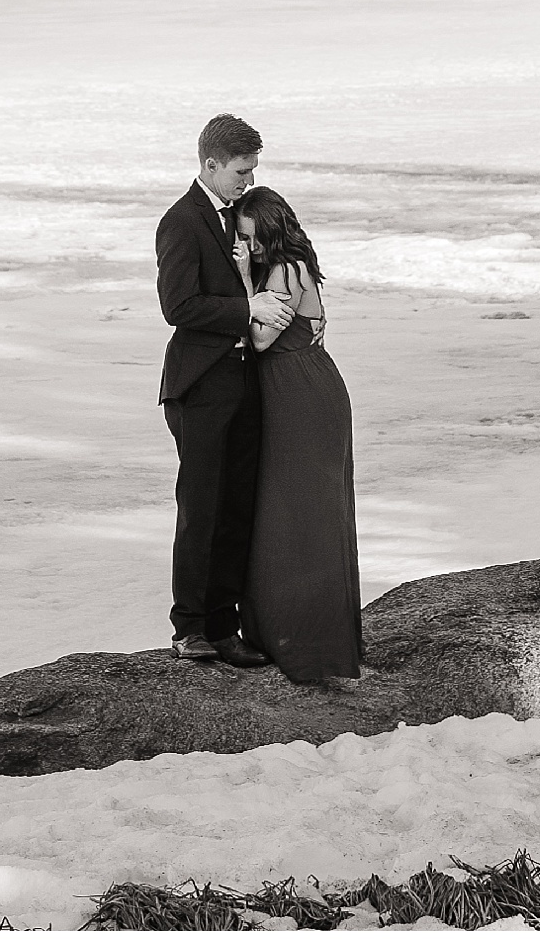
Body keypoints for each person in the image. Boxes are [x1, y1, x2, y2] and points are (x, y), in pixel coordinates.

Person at [155, 114, 293, 665]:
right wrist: (246, 310)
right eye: (241, 169)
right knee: (201, 507)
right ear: (210, 164)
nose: (248, 178)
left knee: (238, 506)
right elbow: (178, 308)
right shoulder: (180, 222)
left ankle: (225, 627)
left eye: (252, 169)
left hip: (246, 381)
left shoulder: (242, 215)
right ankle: (189, 627)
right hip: (200, 384)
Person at [237, 185, 363, 687]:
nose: (249, 247)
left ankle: (310, 647)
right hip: (292, 392)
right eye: (242, 239)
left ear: (272, 231)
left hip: (302, 396)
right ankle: (283, 633)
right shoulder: (284, 268)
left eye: (252, 237)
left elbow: (262, 338)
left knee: (303, 518)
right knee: (282, 515)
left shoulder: (285, 270)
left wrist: (245, 279)